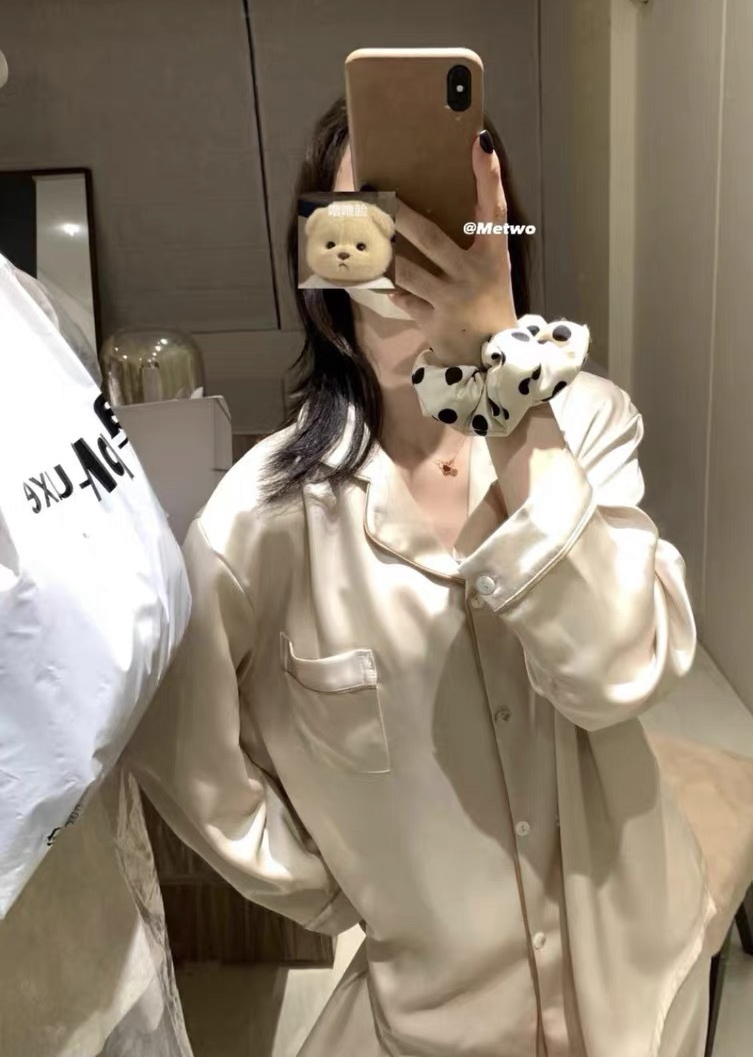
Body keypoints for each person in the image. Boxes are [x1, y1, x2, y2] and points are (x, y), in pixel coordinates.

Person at [126, 96, 717, 1057]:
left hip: (642, 977)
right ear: (323, 257)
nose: (410, 259)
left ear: (498, 239)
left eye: (445, 218)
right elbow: (185, 759)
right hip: (435, 1018)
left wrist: (507, 393)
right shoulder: (259, 524)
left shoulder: (584, 425)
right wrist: (325, 889)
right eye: (373, 223)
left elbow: (618, 671)